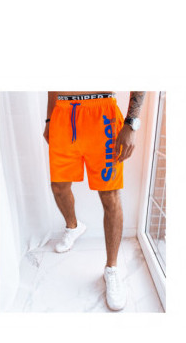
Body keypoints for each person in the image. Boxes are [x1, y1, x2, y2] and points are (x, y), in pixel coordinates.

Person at [43, 91, 146, 311]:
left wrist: (131, 124)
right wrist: (50, 119)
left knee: (109, 196)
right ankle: (73, 227)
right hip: (63, 114)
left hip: (102, 115)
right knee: (58, 186)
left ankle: (112, 269)